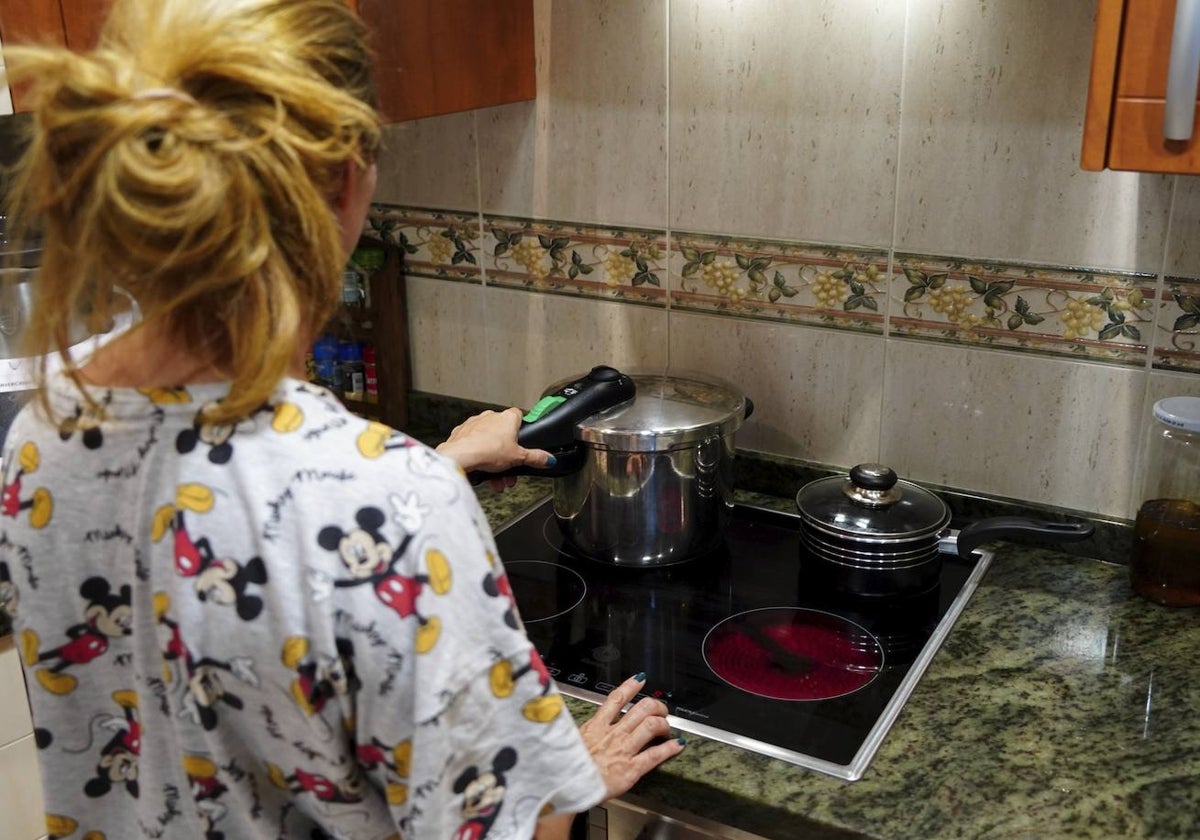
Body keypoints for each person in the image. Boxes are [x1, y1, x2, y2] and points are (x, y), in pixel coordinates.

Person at [0, 1, 683, 838]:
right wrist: (559, 782)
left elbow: (219, 540)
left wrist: (432, 463)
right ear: (349, 178)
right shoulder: (393, 504)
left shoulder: (45, 430)